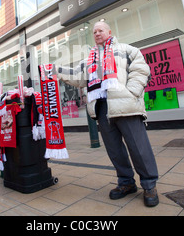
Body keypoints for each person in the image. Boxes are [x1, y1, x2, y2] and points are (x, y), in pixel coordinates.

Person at [57, 21, 159, 207]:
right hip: (102, 108)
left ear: (109, 32)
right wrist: (56, 71)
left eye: (100, 30)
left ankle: (149, 184)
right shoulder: (90, 58)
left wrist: (132, 92)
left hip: (126, 105)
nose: (97, 33)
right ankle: (126, 182)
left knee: (138, 147)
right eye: (94, 31)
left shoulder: (126, 49)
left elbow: (141, 69)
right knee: (114, 150)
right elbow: (78, 77)